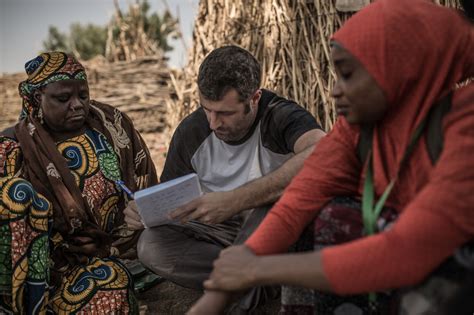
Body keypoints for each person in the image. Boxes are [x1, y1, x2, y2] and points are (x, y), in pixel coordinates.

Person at [191, 0, 474, 314]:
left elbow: (411, 250)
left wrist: (258, 269)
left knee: (339, 220)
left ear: (399, 67)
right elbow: (296, 205)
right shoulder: (356, 132)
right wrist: (217, 294)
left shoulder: (465, 124)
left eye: (349, 75)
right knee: (312, 216)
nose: (335, 90)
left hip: (439, 271)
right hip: (395, 266)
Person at [124, 45, 325, 311]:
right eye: (207, 109)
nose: (213, 123)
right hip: (217, 231)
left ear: (254, 99)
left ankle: (239, 292)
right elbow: (170, 199)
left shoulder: (279, 115)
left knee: (269, 207)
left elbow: (323, 153)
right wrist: (143, 211)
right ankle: (262, 281)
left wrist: (235, 200)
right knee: (151, 245)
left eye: (225, 113)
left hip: (273, 229)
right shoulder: (191, 133)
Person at [0, 52, 158, 314]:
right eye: (63, 98)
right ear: (38, 97)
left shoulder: (112, 125)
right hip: (46, 264)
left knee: (108, 285)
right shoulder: (13, 147)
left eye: (82, 96)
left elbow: (146, 188)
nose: (76, 105)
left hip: (118, 250)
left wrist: (143, 211)